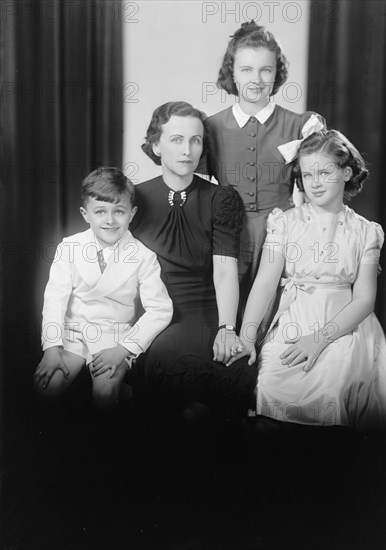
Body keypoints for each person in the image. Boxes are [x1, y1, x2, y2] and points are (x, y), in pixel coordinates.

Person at [229, 129, 386, 432]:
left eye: (324, 172)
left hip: (343, 326)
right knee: (270, 380)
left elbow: (364, 300)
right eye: (307, 175)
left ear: (346, 172)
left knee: (331, 381)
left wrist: (320, 339)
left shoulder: (365, 231)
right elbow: (265, 283)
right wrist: (247, 336)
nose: (315, 182)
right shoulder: (285, 223)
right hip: (294, 319)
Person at [132, 101, 255, 416]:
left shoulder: (221, 200)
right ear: (156, 146)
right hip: (150, 310)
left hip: (202, 311)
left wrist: (227, 327)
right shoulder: (134, 198)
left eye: (195, 140)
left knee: (172, 363)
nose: (187, 149)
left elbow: (225, 270)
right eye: (176, 140)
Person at [203, 20, 325, 307]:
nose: (256, 79)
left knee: (276, 316)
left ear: (277, 72)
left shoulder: (300, 125)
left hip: (284, 235)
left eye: (265, 70)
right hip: (227, 238)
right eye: (246, 70)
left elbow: (320, 188)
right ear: (231, 73)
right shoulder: (211, 128)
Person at [33, 167, 173, 408]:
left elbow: (160, 310)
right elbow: (54, 299)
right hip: (72, 332)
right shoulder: (69, 247)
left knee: (105, 395)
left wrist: (122, 349)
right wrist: (52, 347)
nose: (110, 220)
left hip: (114, 335)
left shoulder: (143, 256)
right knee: (47, 387)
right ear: (85, 214)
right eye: (100, 212)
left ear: (132, 213)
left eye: (119, 211)